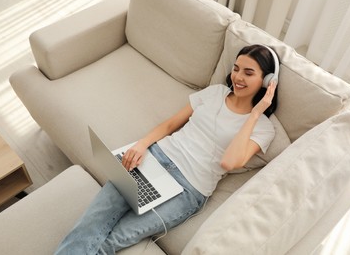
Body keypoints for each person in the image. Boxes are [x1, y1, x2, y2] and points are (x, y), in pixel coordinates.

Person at [55, 44, 279, 254]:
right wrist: (142, 145)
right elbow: (171, 124)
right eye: (236, 69)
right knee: (93, 222)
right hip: (156, 158)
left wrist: (256, 113)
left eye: (249, 73)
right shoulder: (215, 93)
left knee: (113, 241)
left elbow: (229, 162)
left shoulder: (263, 128)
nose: (238, 77)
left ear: (267, 81)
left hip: (188, 189)